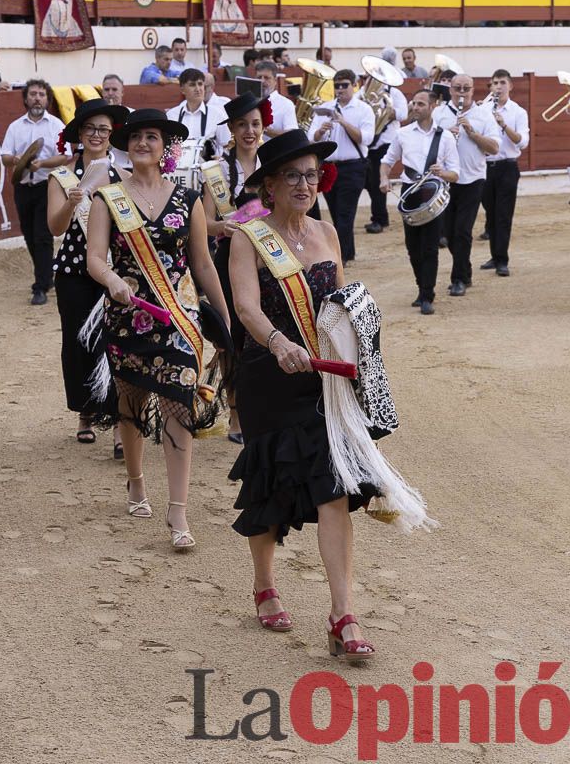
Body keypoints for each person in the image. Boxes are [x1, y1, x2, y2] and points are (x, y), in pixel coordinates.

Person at [227, 129, 370, 659]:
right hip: (269, 373)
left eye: (311, 174)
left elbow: (344, 305)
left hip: (323, 376)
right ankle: (265, 583)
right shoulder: (247, 237)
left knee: (333, 487)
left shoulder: (328, 234)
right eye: (293, 175)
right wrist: (278, 340)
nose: (305, 183)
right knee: (268, 482)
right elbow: (245, 307)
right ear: (269, 185)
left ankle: (342, 614)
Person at [82, 109, 231, 550]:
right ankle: (135, 480)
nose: (142, 143)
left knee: (179, 407)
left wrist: (224, 320)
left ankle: (178, 512)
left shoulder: (189, 199)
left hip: (180, 319)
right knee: (132, 402)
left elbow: (202, 263)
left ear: (166, 146)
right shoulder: (107, 198)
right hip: (130, 316)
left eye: (152, 136)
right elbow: (94, 258)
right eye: (135, 137)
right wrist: (111, 281)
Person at [46, 98, 129, 452]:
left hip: (113, 269)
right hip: (73, 270)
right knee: (79, 341)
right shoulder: (61, 177)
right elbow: (55, 227)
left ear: (111, 136)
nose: (97, 135)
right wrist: (71, 201)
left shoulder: (123, 176)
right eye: (90, 128)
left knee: (116, 342)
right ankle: (85, 413)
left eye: (104, 129)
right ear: (79, 133)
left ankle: (118, 423)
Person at [202, 93, 268, 445]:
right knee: (233, 339)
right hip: (229, 260)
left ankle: (262, 409)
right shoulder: (216, 170)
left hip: (270, 260)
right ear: (231, 129)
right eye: (242, 124)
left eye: (255, 124)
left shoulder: (272, 163)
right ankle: (235, 411)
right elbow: (205, 222)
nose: (249, 131)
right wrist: (223, 228)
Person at [381, 89, 459, 315]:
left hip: (433, 192)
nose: (415, 107)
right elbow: (387, 161)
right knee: (413, 247)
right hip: (409, 191)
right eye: (413, 103)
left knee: (430, 247)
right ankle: (421, 287)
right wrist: (384, 178)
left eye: (421, 104)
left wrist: (443, 172)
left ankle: (427, 294)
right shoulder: (402, 133)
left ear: (433, 106)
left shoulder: (444, 137)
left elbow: (456, 173)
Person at [0, 79, 67, 305]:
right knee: (29, 235)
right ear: (26, 99)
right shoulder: (15, 126)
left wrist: (44, 164)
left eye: (41, 94)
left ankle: (40, 286)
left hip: (47, 186)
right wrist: (17, 160)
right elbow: (4, 156)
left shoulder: (56, 125)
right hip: (23, 186)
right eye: (33, 94)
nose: (37, 98)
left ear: (47, 99)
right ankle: (47, 277)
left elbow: (65, 155)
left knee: (42, 236)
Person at [432, 74, 499, 296]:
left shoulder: (483, 114)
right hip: (446, 179)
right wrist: (445, 137)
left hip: (473, 179)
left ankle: (458, 278)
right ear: (450, 90)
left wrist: (471, 132)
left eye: (466, 88)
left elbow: (494, 148)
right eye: (457, 88)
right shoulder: (439, 113)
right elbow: (430, 144)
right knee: (449, 233)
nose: (462, 92)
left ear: (473, 90)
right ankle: (465, 269)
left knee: (462, 230)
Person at [307, 69, 375, 265]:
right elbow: (312, 137)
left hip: (353, 166)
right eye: (337, 86)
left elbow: (366, 138)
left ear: (354, 85)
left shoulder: (363, 109)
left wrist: (343, 122)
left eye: (344, 85)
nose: (340, 89)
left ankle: (341, 256)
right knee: (336, 212)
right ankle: (348, 250)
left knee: (345, 213)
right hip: (329, 166)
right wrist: (321, 131)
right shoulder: (326, 107)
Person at [480, 69, 529, 276]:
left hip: (507, 166)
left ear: (510, 86)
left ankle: (502, 259)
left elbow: (523, 142)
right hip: (485, 167)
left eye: (502, 83)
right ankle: (495, 255)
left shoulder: (518, 112)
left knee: (503, 215)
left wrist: (504, 125)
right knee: (490, 213)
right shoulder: (482, 109)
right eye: (494, 83)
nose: (498, 87)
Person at [362, 54, 409, 237]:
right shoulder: (363, 93)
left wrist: (387, 112)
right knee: (368, 181)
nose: (372, 80)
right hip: (367, 142)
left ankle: (379, 219)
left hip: (385, 140)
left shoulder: (394, 93)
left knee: (376, 182)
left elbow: (403, 114)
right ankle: (381, 216)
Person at [166, 68, 229, 154]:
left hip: (208, 166)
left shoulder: (217, 115)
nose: (198, 89)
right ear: (182, 90)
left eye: (200, 84)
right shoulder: (172, 116)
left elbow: (227, 145)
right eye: (192, 85)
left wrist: (220, 159)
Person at [256, 61, 297, 140]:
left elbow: (291, 135)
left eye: (266, 78)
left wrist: (264, 129)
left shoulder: (286, 104)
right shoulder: (250, 101)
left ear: (275, 81)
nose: (262, 81)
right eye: (259, 77)